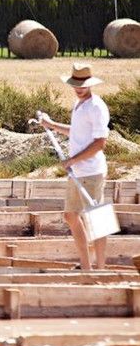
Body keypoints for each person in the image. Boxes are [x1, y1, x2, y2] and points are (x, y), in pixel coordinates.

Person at [39, 63, 110, 270]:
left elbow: (100, 143)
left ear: (90, 84)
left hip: (92, 171)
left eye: (83, 85)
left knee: (97, 220)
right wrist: (52, 125)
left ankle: (101, 269)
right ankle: (86, 267)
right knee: (70, 216)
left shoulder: (96, 106)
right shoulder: (79, 105)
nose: (79, 88)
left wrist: (72, 161)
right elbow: (77, 132)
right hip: (78, 172)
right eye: (76, 85)